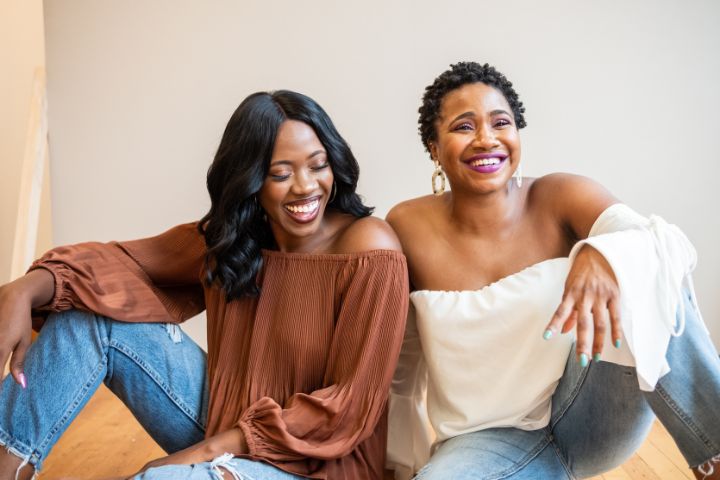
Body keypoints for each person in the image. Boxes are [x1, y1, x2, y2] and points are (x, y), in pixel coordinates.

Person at [0, 90, 409, 480]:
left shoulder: (370, 249)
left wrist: (195, 456)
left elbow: (347, 409)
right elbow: (124, 262)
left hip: (318, 463)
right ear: (251, 182)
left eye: (318, 165)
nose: (305, 186)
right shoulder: (237, 237)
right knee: (88, 316)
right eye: (280, 173)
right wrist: (25, 289)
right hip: (225, 424)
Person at [385, 62, 720, 480]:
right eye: (464, 127)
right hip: (485, 441)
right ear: (434, 147)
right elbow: (402, 357)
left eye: (501, 122)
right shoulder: (406, 226)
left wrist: (601, 254)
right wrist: (399, 462)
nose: (487, 139)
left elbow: (666, 247)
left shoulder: (561, 195)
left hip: (592, 412)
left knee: (644, 262)